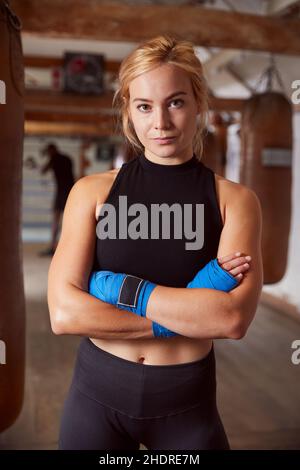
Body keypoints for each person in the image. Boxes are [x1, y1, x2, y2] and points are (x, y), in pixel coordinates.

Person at [47, 35, 263, 450]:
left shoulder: (234, 200)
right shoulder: (92, 193)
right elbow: (64, 313)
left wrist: (119, 291)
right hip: (96, 396)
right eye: (144, 106)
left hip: (185, 402)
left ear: (199, 103)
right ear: (129, 110)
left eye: (176, 102)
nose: (160, 122)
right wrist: (190, 311)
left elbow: (231, 320)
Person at [39, 143, 75, 256]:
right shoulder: (66, 158)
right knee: (69, 221)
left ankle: (53, 246)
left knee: (56, 220)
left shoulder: (54, 159)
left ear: (51, 150)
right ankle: (65, 247)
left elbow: (43, 170)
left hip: (62, 192)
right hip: (70, 191)